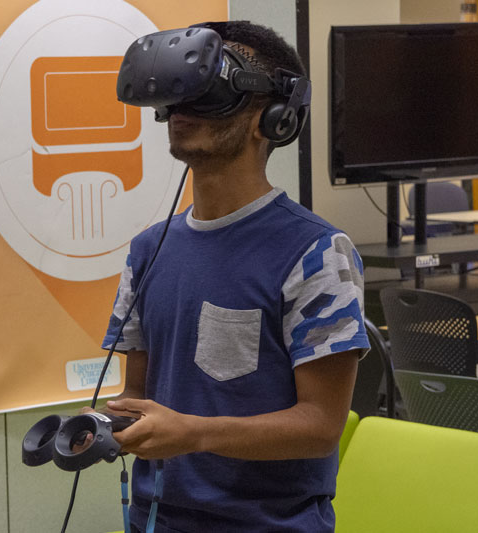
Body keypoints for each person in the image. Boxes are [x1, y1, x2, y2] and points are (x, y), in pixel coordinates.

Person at [88, 20, 369, 533]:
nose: (183, 111)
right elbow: (140, 398)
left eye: (212, 92)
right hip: (155, 519)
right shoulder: (149, 249)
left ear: (276, 116)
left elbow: (321, 427)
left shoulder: (316, 252)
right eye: (178, 95)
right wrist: (107, 429)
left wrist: (193, 433)